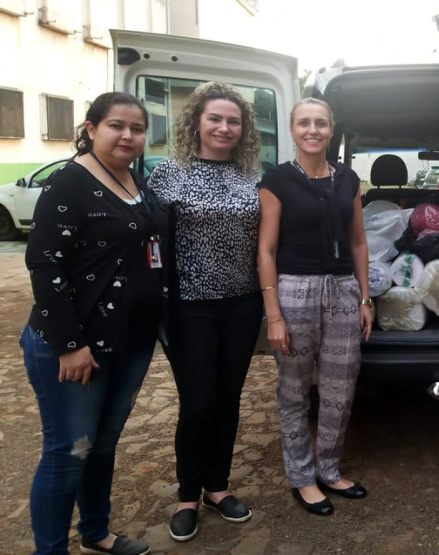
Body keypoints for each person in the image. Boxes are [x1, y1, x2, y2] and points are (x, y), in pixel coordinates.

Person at [22, 92, 164, 555]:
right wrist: (68, 345)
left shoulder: (133, 180)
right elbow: (45, 264)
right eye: (116, 126)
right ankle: (51, 550)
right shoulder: (69, 182)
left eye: (137, 128)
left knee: (102, 445)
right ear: (90, 128)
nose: (127, 136)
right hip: (77, 344)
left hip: (129, 339)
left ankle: (96, 533)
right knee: (70, 451)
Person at [146, 82, 263, 541]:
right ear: (196, 121)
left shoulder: (253, 176)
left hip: (243, 305)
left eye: (233, 121)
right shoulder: (169, 174)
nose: (224, 127)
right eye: (215, 118)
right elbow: (151, 245)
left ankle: (218, 485)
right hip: (188, 306)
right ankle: (187, 495)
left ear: (243, 129)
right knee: (198, 402)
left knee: (228, 399)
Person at [257, 98, 372, 516]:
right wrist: (274, 315)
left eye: (320, 123)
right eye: (304, 122)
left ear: (331, 130)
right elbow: (266, 251)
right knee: (295, 389)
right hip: (294, 290)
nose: (313, 130)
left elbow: (359, 242)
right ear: (291, 129)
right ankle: (302, 477)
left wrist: (364, 296)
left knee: (341, 386)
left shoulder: (348, 180)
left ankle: (329, 468)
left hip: (342, 289)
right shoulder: (276, 180)